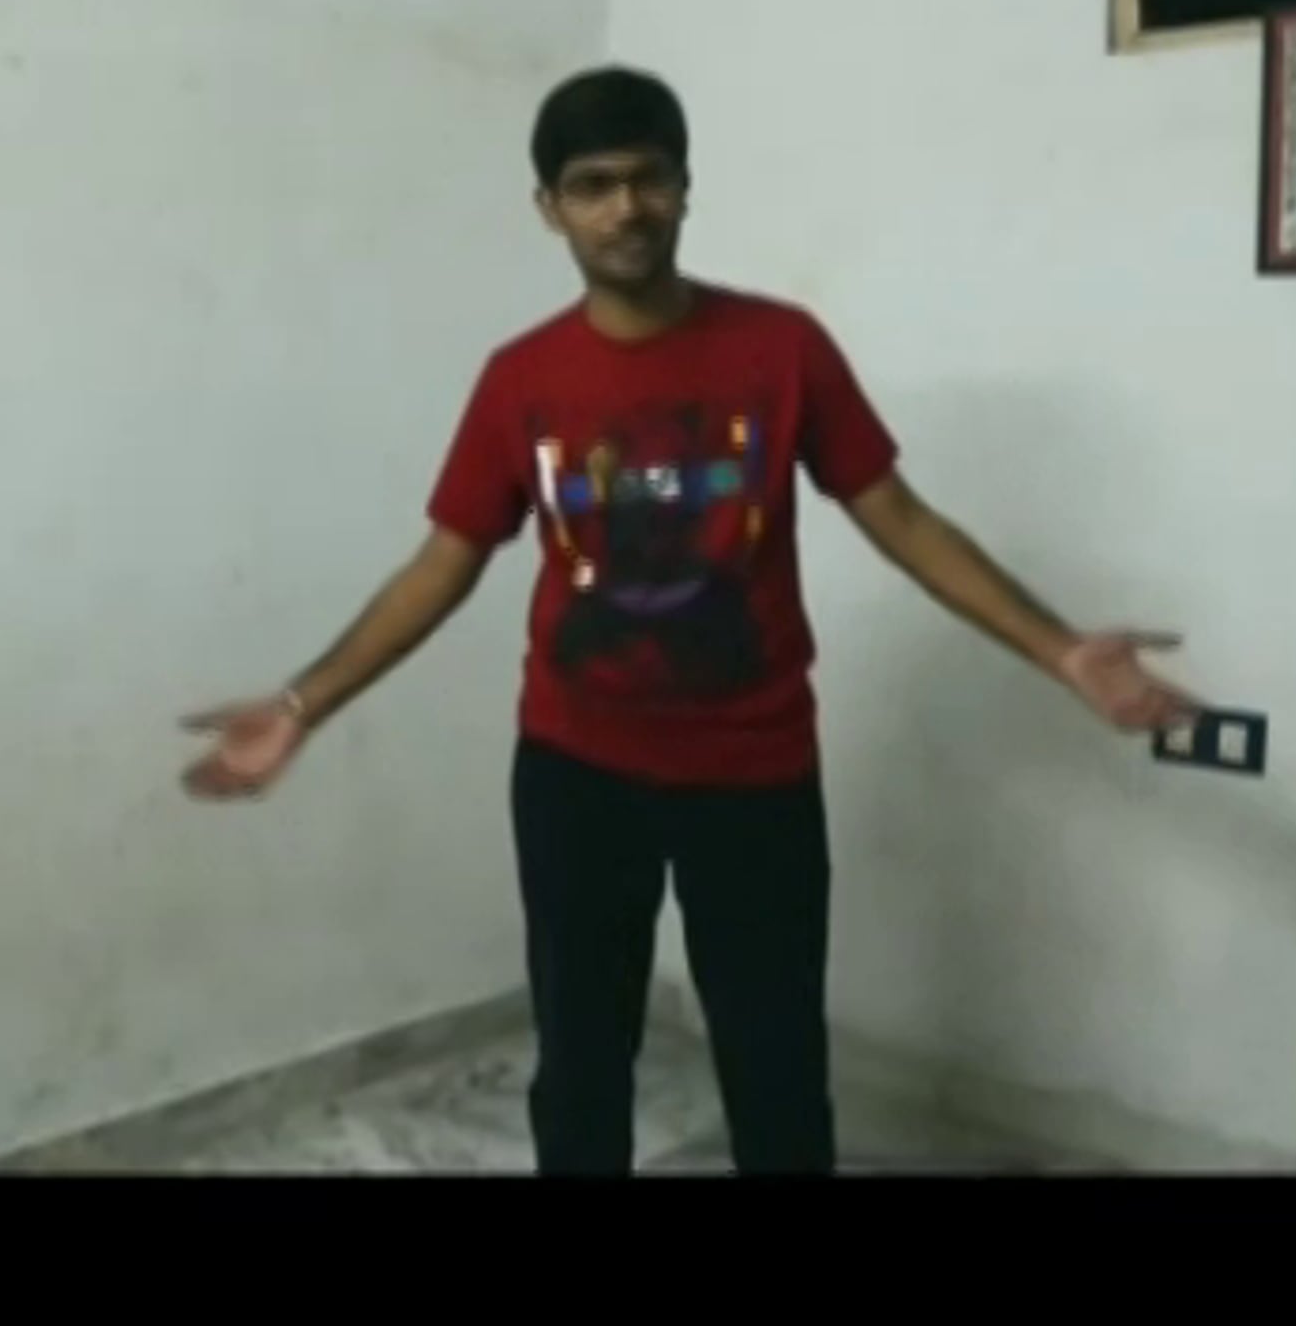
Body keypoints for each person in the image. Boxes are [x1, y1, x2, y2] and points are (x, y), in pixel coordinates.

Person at [179, 65, 1199, 1176]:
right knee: (581, 1069)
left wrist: (1061, 651)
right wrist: (304, 703)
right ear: (550, 208)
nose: (626, 207)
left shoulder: (783, 350)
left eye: (649, 178)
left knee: (776, 1070)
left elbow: (901, 520)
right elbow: (443, 564)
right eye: (593, 185)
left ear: (684, 187)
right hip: (576, 775)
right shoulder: (520, 380)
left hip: (754, 774)